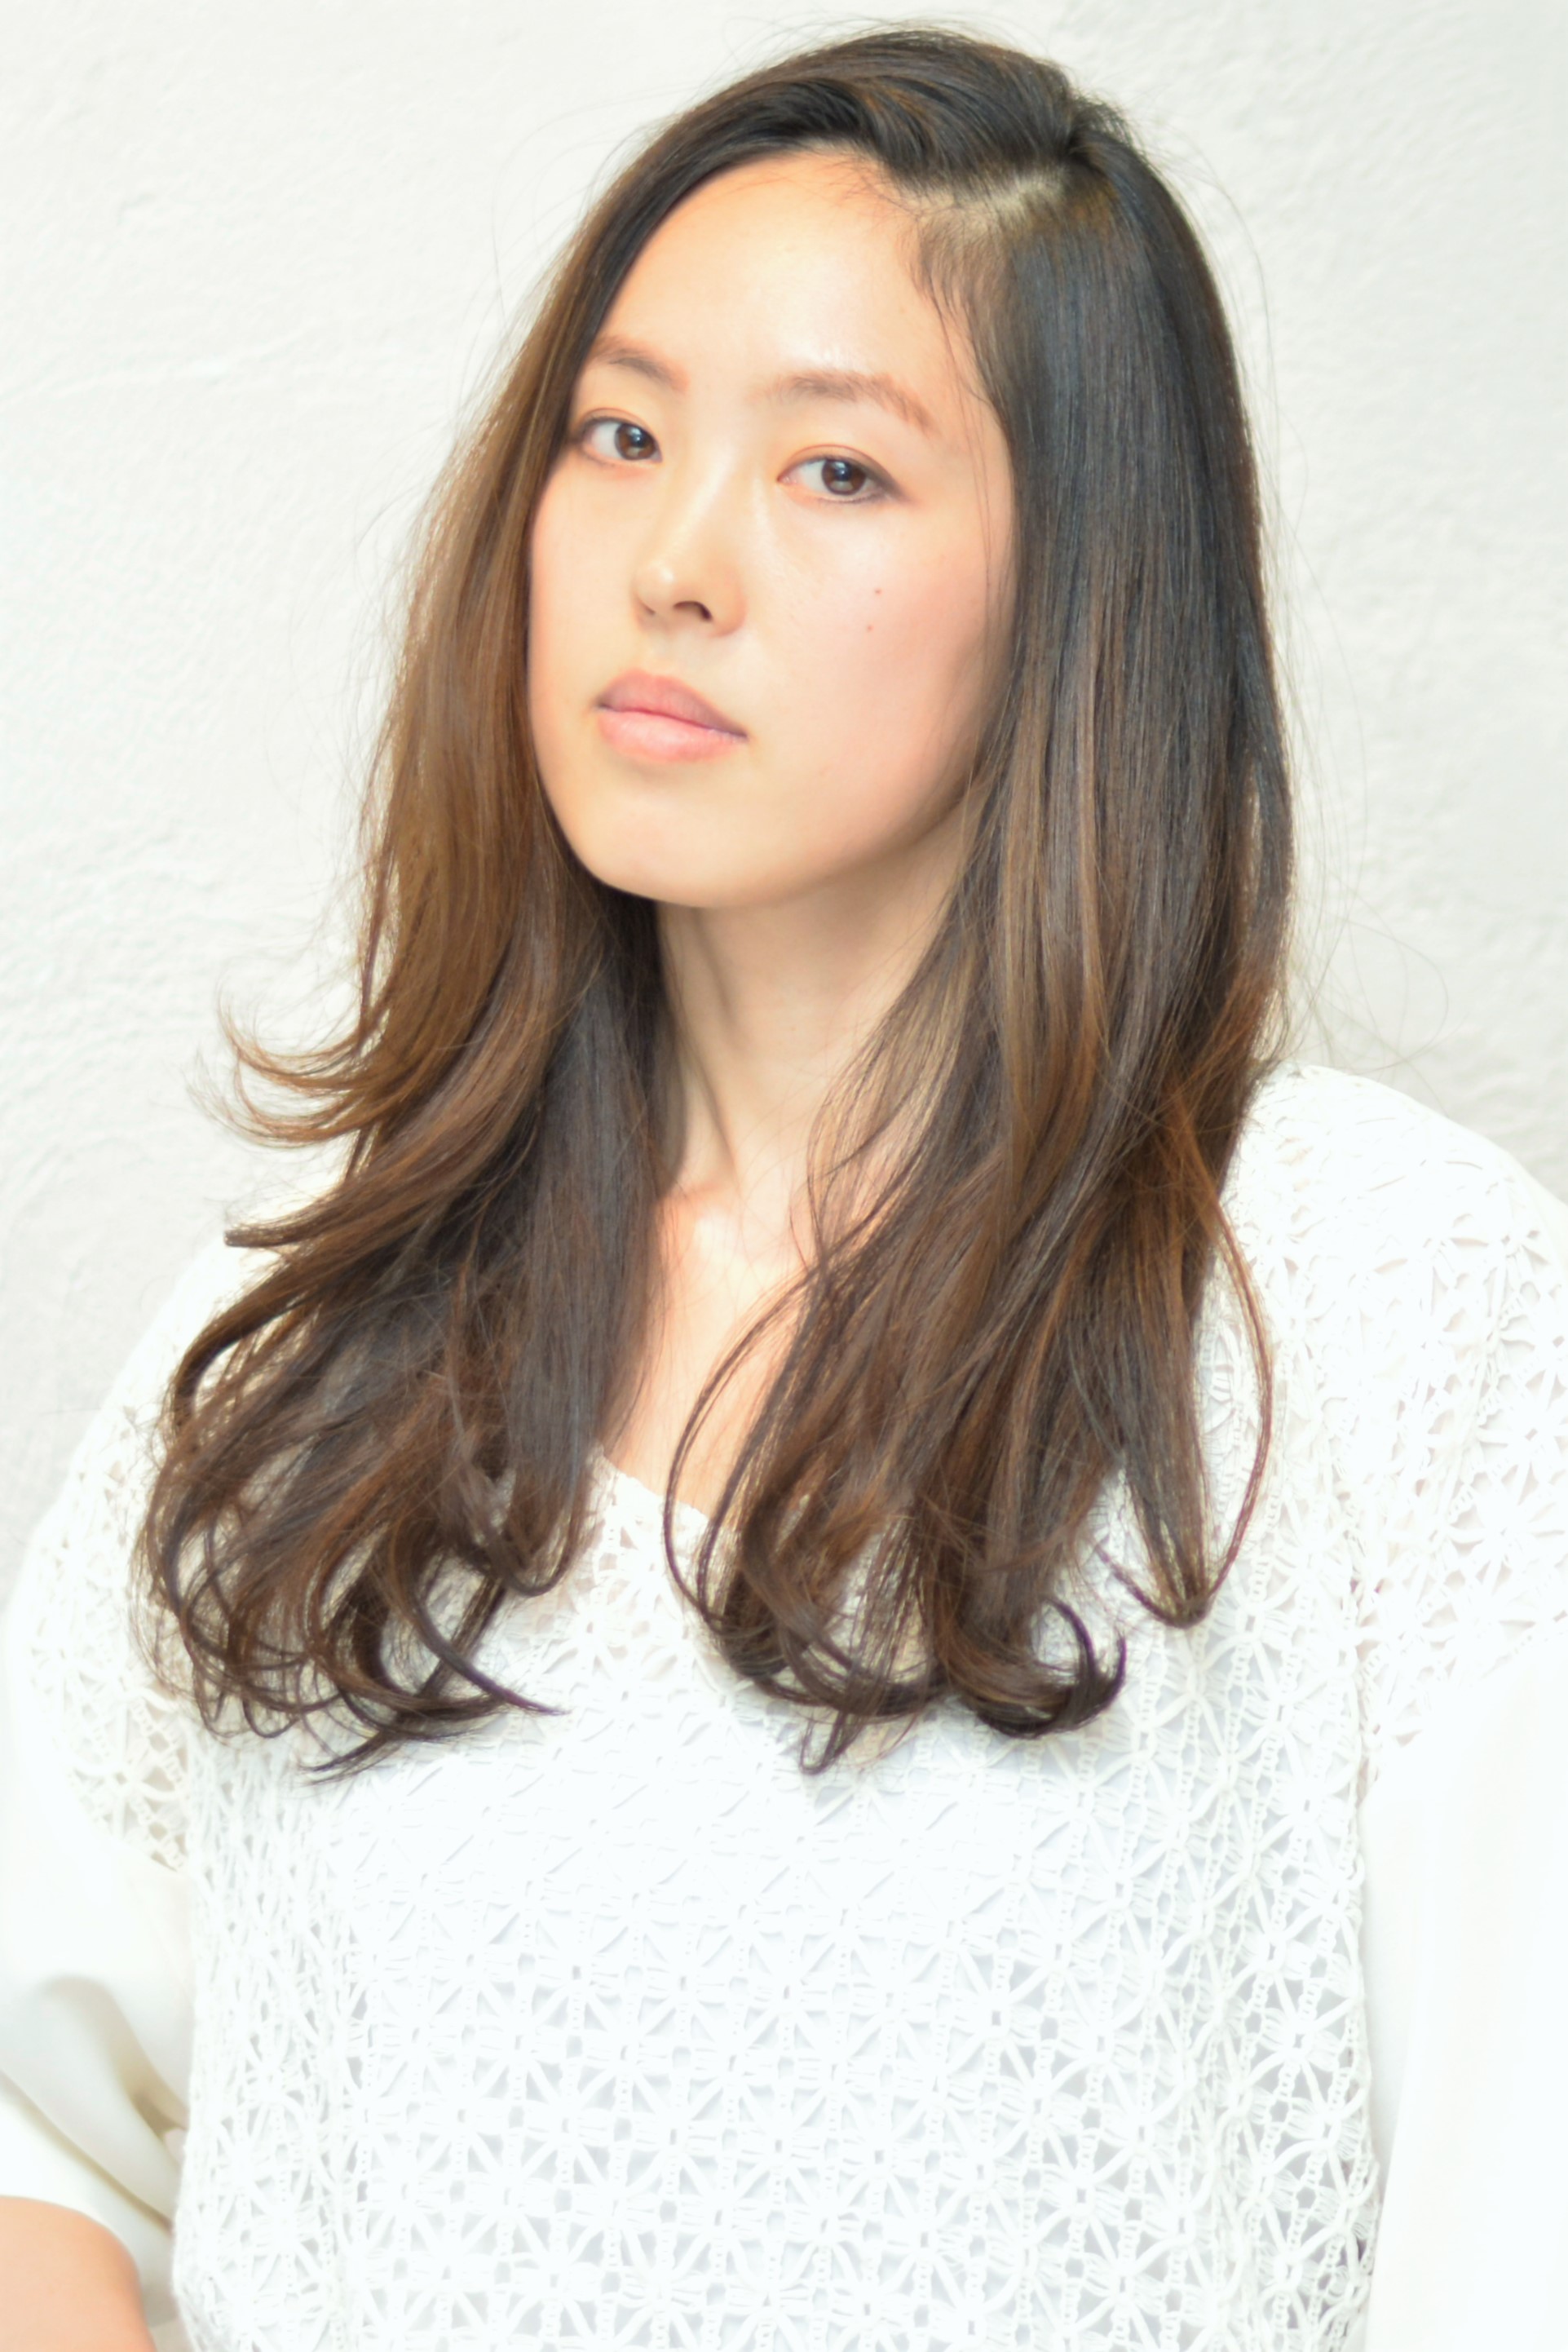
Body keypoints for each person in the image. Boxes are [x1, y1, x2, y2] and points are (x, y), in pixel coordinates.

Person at [2, 27, 1566, 2350]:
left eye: (838, 468)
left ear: (1082, 594)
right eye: (618, 435)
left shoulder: (1384, 1308)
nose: (674, 561)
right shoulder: (308, 1336)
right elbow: (45, 2129)